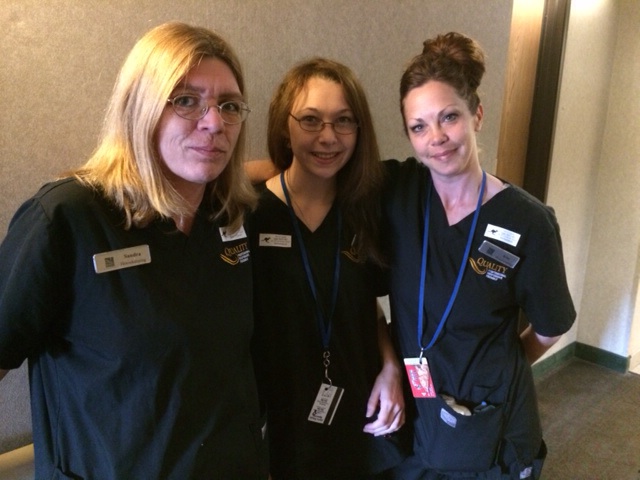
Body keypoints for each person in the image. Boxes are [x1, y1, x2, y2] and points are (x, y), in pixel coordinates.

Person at [0, 22, 268, 479]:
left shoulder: (229, 217)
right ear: (140, 108)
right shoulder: (67, 219)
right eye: (186, 101)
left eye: (229, 106)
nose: (214, 123)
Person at [384, 32, 576, 479]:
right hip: (417, 413)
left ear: (477, 115)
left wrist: (496, 372)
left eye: (449, 117)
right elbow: (318, 169)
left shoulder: (527, 222)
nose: (437, 138)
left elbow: (550, 327)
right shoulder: (398, 193)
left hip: (489, 424)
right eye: (419, 126)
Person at [249, 58, 410, 479]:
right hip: (281, 420)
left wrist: (391, 368)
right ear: (284, 126)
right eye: (310, 120)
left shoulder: (367, 210)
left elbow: (367, 304)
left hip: (359, 408)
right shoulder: (250, 214)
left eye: (343, 121)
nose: (328, 137)